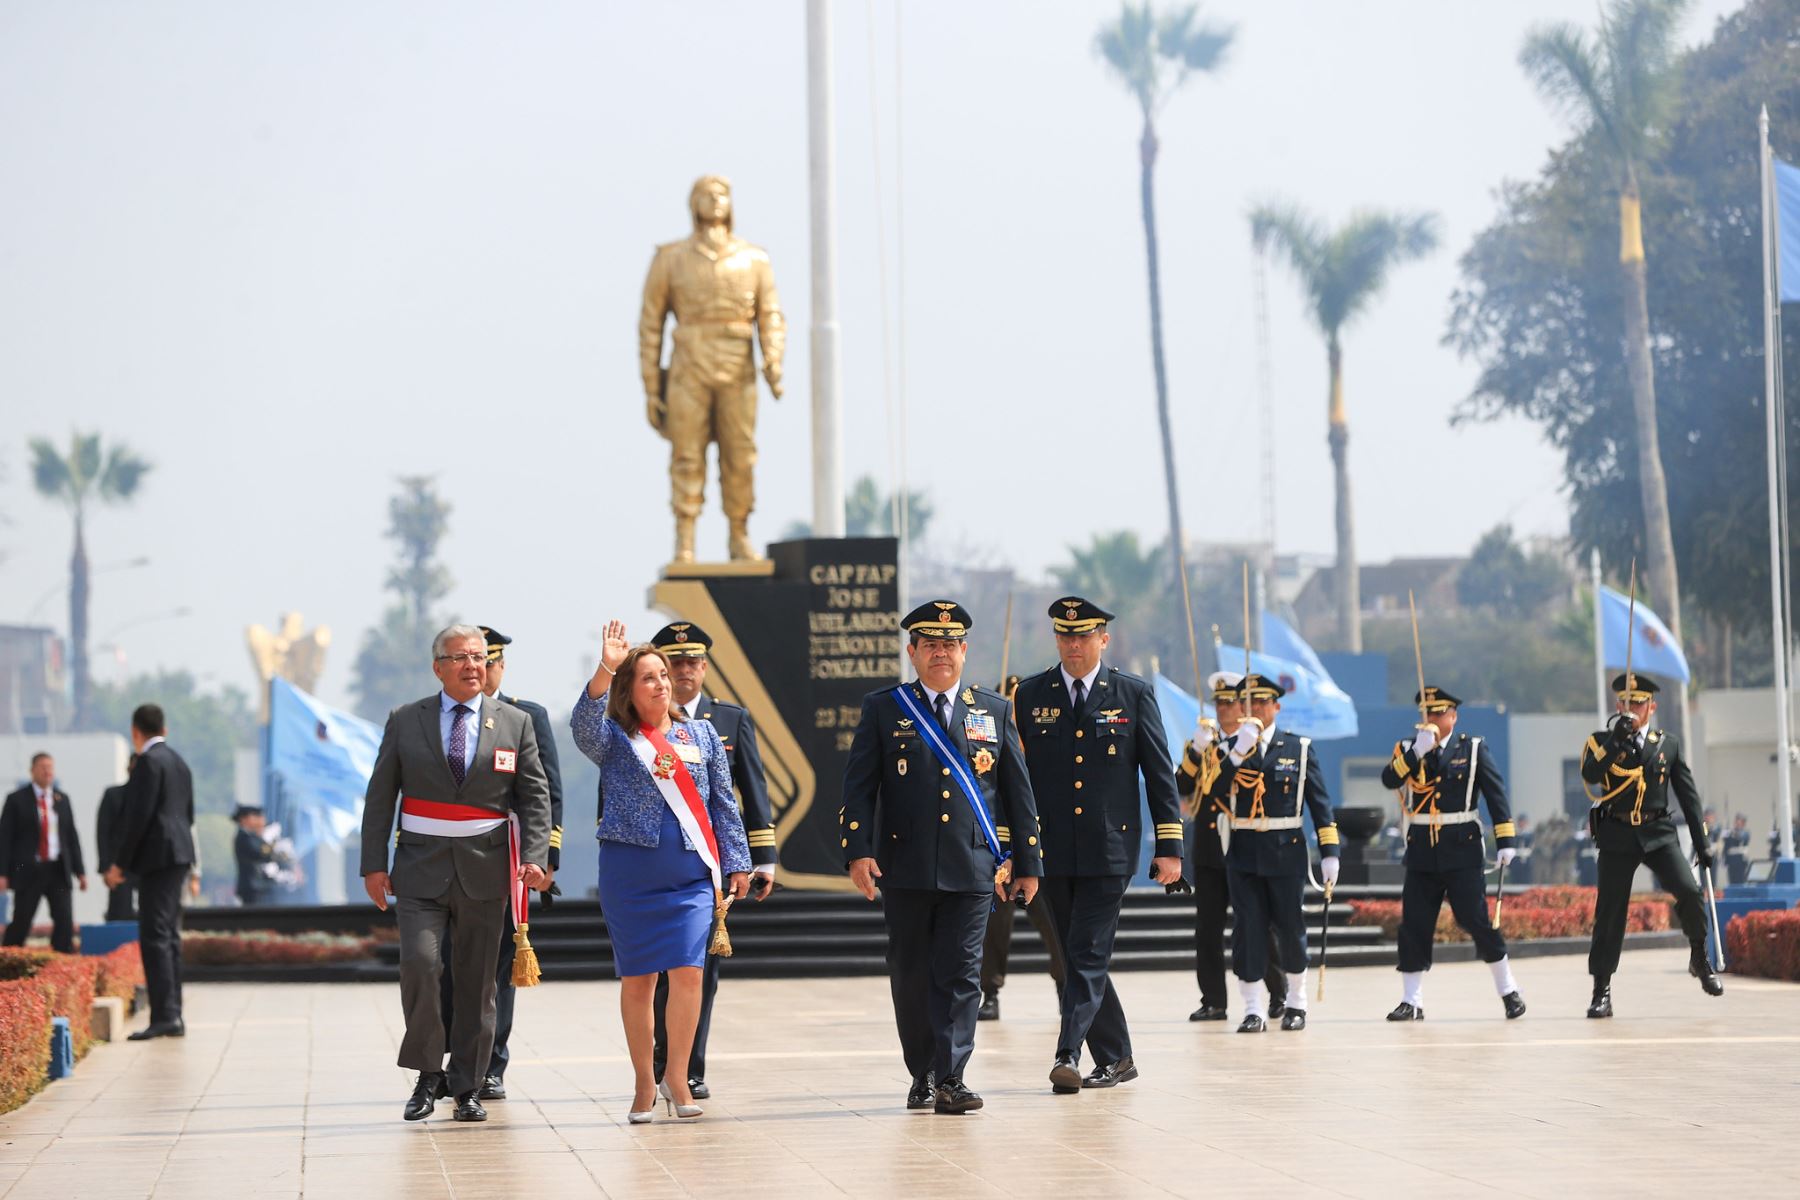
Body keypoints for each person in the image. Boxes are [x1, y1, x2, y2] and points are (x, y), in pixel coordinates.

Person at [841, 600, 1042, 1115]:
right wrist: (858, 851)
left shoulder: (992, 710)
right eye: (930, 645)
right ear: (912, 652)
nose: (941, 654)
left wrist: (1028, 862)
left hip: (973, 866)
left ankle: (952, 1076)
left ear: (964, 651)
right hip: (904, 867)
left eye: (950, 645)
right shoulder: (886, 707)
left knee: (961, 973)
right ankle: (923, 1071)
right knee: (910, 972)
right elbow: (860, 788)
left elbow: (1018, 793)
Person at [359, 624, 552, 1123]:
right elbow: (381, 797)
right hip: (420, 870)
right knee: (421, 966)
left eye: (480, 657)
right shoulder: (406, 720)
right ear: (438, 666)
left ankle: (467, 1084)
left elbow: (534, 797)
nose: (473, 665)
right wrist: (373, 864)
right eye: (461, 656)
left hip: (487, 871)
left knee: (477, 982)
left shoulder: (515, 722)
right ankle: (428, 1075)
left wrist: (534, 855)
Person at [570, 620, 751, 1124]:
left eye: (664, 675)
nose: (661, 683)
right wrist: (607, 665)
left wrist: (737, 862)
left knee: (690, 974)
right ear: (630, 689)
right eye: (648, 676)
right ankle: (644, 1082)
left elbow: (722, 805)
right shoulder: (614, 739)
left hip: (692, 875)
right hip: (631, 875)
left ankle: (677, 1076)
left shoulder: (704, 735)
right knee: (639, 981)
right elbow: (582, 723)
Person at [1013, 597, 1181, 1094]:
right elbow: (1015, 780)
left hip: (1110, 849)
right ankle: (1117, 1056)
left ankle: (1068, 1051)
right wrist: (1014, 848)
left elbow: (1159, 773)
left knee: (1085, 951)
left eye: (1084, 636)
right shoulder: (1030, 694)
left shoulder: (1132, 694)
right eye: (1065, 636)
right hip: (1051, 849)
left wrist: (1169, 846)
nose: (1074, 645)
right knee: (1075, 955)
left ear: (1103, 639)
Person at [621, 621, 777, 1102]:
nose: (683, 671)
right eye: (675, 663)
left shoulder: (723, 721)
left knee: (695, 972)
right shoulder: (629, 726)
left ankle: (688, 1069)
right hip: (643, 866)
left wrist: (760, 859)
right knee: (652, 973)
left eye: (692, 663)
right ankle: (659, 1067)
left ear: (704, 668)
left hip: (699, 866)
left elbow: (746, 793)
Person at [437, 624, 567, 1103]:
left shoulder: (525, 716)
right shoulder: (441, 718)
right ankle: (457, 1057)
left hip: (509, 860)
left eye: (488, 662)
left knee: (497, 968)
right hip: (453, 860)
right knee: (450, 965)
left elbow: (547, 793)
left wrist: (544, 856)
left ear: (501, 666)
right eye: (470, 661)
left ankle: (491, 1065)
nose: (479, 670)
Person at [638, 175, 787, 562]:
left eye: (722, 194)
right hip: (690, 366)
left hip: (737, 365)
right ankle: (684, 538)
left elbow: (770, 314)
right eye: (706, 194)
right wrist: (652, 386)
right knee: (687, 455)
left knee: (740, 454)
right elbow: (651, 324)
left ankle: (739, 533)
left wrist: (773, 358)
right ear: (693, 204)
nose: (715, 200)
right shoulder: (670, 258)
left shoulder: (753, 259)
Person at [1377, 686, 1526, 1021]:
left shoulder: (1472, 749)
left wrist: (1506, 840)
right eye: (1426, 713)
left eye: (1439, 712)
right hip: (1421, 851)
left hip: (1462, 847)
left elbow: (1495, 794)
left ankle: (1508, 990)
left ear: (1453, 716)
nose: (1431, 719)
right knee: (1414, 924)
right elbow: (1389, 779)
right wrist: (1417, 753)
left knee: (1474, 919)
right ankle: (1411, 1000)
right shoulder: (1408, 749)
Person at [1201, 674, 1339, 1032]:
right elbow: (1212, 791)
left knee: (1291, 926)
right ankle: (1252, 1007)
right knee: (1249, 930)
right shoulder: (1230, 747)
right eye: (1251, 702)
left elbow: (1319, 804)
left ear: (1277, 706)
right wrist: (1236, 752)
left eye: (1264, 702)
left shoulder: (1300, 748)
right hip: (1244, 850)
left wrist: (1329, 851)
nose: (1257, 709)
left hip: (1286, 849)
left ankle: (1296, 1002)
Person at [1578, 672, 1721, 1017]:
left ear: (1651, 707)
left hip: (1658, 832)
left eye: (1638, 703)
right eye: (1625, 703)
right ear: (1617, 705)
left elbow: (1689, 796)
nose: (1631, 708)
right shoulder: (1601, 741)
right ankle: (1602, 991)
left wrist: (1702, 841)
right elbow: (1591, 775)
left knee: (1688, 890)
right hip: (1617, 832)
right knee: (1610, 912)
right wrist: (1616, 741)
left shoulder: (1665, 743)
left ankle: (1699, 957)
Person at [1176, 671, 1288, 1023]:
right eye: (1220, 703)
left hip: (1244, 845)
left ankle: (1278, 993)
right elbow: (1181, 786)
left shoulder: (1253, 742)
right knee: (1207, 928)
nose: (1224, 710)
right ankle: (1214, 1000)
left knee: (1256, 924)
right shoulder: (1204, 745)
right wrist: (1195, 750)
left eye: (1231, 703)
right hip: (1210, 848)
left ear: (1243, 706)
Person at [103, 705, 196, 1040]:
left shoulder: (147, 763)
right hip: (180, 855)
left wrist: (119, 864)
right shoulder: (179, 762)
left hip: (157, 858)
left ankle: (164, 1017)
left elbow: (137, 819)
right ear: (164, 728)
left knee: (155, 936)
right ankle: (173, 1014)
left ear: (135, 731)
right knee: (169, 935)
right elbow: (189, 813)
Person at [978, 675, 1067, 1022]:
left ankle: (1064, 986)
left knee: (1053, 926)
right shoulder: (987, 749)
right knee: (995, 929)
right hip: (1001, 852)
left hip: (1040, 853)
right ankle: (990, 991)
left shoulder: (1042, 745)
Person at [0, 753, 87, 953]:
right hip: (29, 870)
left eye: (50, 767)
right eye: (42, 767)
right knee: (22, 919)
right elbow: (4, 840)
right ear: (32, 771)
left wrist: (80, 872)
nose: (47, 771)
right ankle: (8, 961)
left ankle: (62, 961)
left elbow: (71, 837)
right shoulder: (16, 800)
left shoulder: (62, 799)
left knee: (64, 919)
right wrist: (3, 873)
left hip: (57, 869)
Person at [96, 756, 137, 920]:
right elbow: (103, 833)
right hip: (119, 867)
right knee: (120, 915)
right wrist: (106, 867)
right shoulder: (113, 795)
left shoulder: (157, 798)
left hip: (147, 865)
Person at [232, 805, 281, 907]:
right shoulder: (243, 837)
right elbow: (260, 853)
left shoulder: (252, 836)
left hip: (259, 885)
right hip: (251, 886)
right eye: (253, 817)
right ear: (244, 819)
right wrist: (271, 840)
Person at [1724, 814, 1752, 885]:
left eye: (1739, 821)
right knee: (1732, 881)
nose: (1737, 823)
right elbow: (1726, 846)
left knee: (1740, 881)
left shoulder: (1746, 833)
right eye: (1736, 821)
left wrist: (1732, 833)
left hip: (1740, 861)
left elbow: (1740, 838)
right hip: (1731, 862)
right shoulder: (1730, 833)